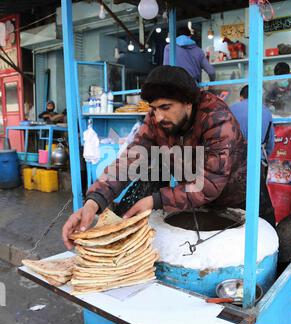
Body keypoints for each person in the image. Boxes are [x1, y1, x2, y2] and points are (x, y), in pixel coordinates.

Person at [62, 65, 275, 249]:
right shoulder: (156, 120)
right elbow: (130, 160)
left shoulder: (217, 119)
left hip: (241, 200)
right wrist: (93, 202)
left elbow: (210, 182)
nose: (159, 116)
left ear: (188, 103)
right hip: (194, 200)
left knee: (252, 261)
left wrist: (157, 199)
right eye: (154, 109)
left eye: (166, 107)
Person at [230, 85, 275, 159]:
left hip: (233, 159)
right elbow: (270, 143)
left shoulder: (230, 109)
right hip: (256, 158)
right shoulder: (266, 111)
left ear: (241, 97)